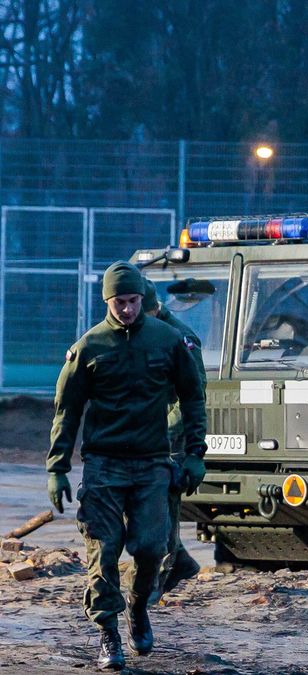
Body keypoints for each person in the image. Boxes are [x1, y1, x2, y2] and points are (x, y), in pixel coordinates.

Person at [47, 262, 207, 671]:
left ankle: (138, 609)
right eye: (120, 302)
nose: (128, 309)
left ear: (143, 300)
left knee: (152, 546)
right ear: (108, 301)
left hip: (152, 463)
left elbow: (192, 397)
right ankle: (109, 635)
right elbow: (67, 410)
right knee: (103, 550)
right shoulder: (89, 347)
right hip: (103, 463)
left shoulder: (169, 340)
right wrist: (57, 466)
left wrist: (194, 453)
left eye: (134, 301)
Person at [142, 278, 206, 604]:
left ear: (153, 306)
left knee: (161, 506)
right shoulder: (140, 331)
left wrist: (176, 438)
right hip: (142, 435)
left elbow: (192, 397)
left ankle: (159, 577)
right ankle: (179, 560)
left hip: (169, 439)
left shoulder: (181, 339)